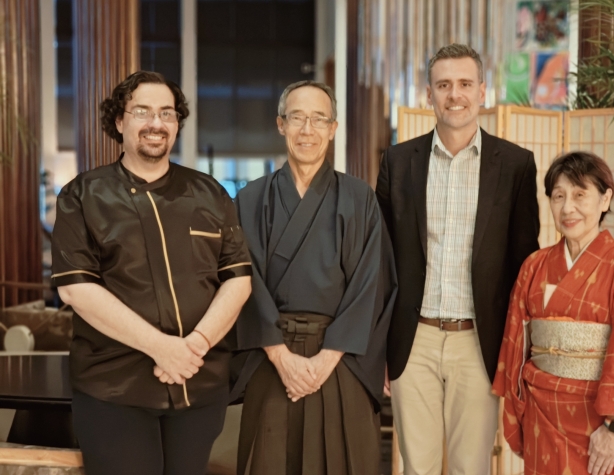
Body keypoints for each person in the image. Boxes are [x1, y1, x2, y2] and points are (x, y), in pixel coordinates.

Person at [51, 71, 253, 475]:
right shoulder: (82, 195)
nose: (156, 123)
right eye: (142, 111)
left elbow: (238, 279)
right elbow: (77, 290)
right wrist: (162, 348)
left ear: (177, 124)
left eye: (167, 113)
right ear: (120, 121)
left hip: (199, 384)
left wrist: (193, 345)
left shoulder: (210, 193)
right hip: (114, 388)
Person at [376, 43, 540, 474]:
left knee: (473, 467)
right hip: (415, 340)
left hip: (479, 341)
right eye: (444, 85)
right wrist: (380, 349)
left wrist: (521, 351)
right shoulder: (397, 161)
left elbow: (525, 264)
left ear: (483, 91)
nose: (455, 95)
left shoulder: (517, 165)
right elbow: (381, 261)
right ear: (428, 94)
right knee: (418, 467)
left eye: (465, 84)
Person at [230, 80, 397, 475]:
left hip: (341, 360)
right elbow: (241, 279)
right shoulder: (250, 199)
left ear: (333, 128)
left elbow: (371, 282)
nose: (308, 130)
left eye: (318, 119)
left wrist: (328, 357)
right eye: (298, 118)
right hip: (272, 358)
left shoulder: (360, 198)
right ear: (280, 124)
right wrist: (280, 356)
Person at [492, 151, 614, 475]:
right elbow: (515, 349)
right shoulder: (534, 267)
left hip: (599, 421)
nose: (568, 208)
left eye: (580, 194)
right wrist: (517, 413)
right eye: (558, 196)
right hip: (542, 417)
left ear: (605, 199)